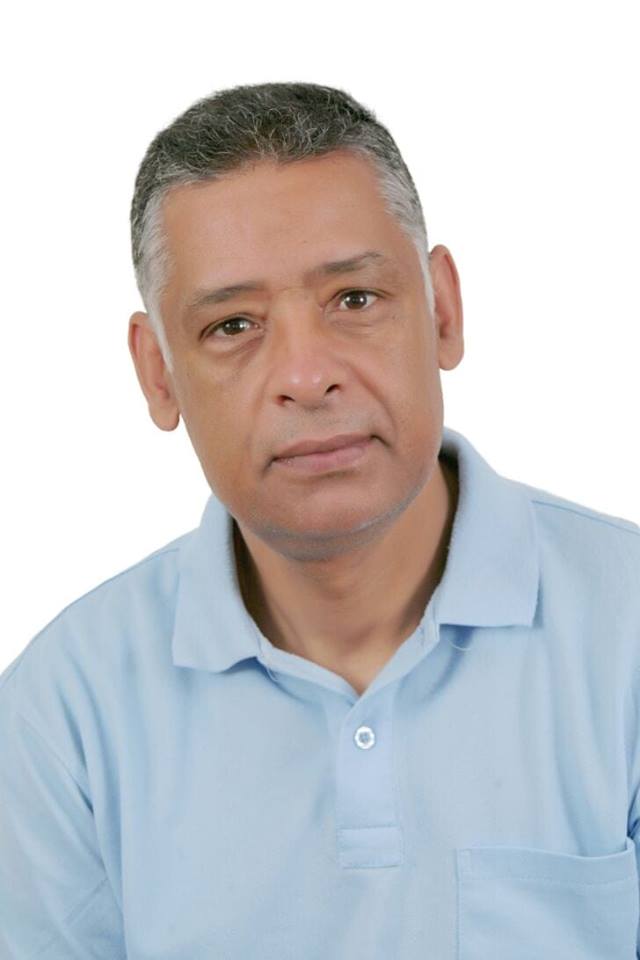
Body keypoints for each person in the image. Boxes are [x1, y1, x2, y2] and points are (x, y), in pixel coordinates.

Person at [1, 81, 639, 960]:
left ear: (443, 310)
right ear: (158, 374)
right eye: (233, 324)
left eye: (355, 299)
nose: (307, 375)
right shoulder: (61, 716)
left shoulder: (628, 632)